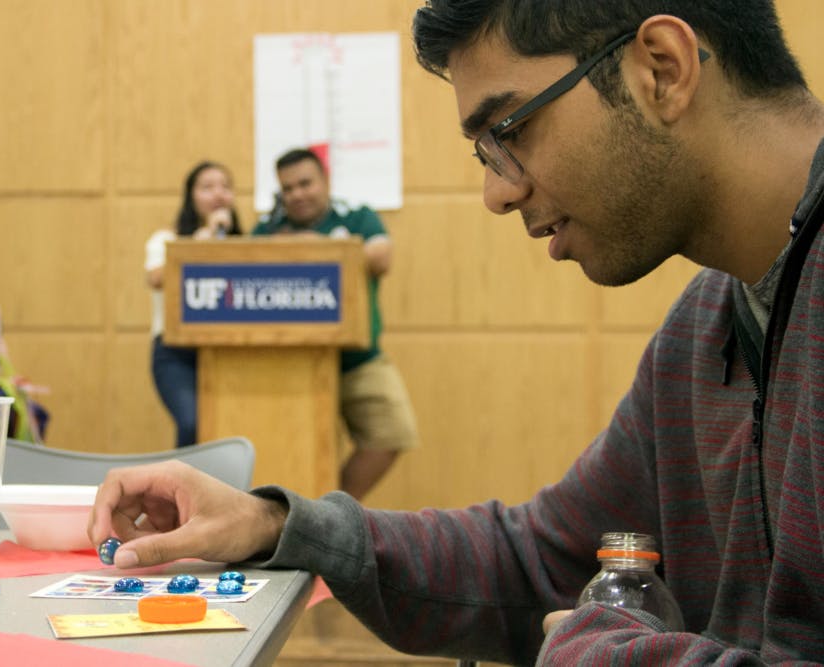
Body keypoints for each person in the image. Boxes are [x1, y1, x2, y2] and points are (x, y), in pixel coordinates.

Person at [93, 1, 824, 663]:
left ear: (661, 68)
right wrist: (272, 522)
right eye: (485, 154)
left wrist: (598, 653)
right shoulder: (703, 328)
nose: (497, 192)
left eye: (511, 130)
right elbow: (537, 564)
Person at [252, 148, 419, 500]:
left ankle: (331, 512)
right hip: (290, 365)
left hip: (359, 357)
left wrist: (322, 248)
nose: (297, 194)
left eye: (305, 183)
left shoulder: (356, 216)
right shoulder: (268, 228)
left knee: (392, 432)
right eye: (288, 188)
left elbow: (381, 255)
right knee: (297, 448)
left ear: (325, 181)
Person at [145, 161, 243, 448]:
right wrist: (200, 245)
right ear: (191, 196)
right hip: (175, 354)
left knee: (230, 429)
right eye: (207, 187)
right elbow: (156, 278)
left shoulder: (244, 246)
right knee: (193, 423)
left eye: (225, 187)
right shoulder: (167, 239)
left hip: (230, 349)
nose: (218, 194)